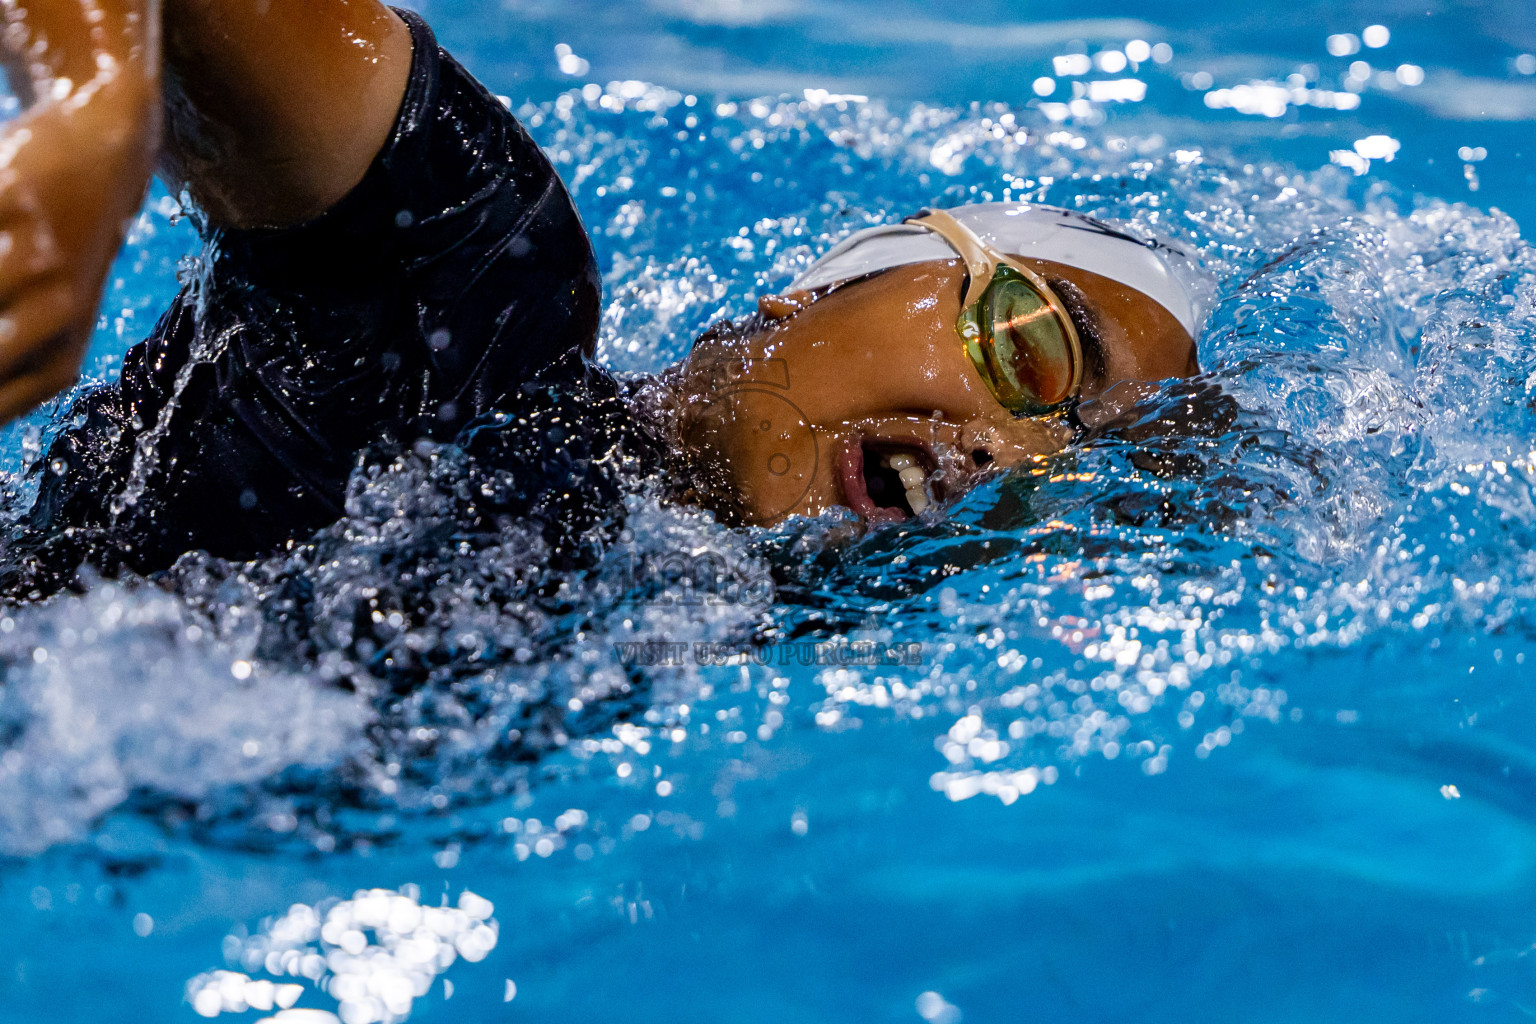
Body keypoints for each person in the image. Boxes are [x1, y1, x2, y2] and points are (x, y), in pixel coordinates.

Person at [0, 0, 1205, 598]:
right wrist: (97, 114)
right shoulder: (470, 300)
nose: (1010, 454)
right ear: (803, 296)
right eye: (1037, 358)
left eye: (1070, 478)